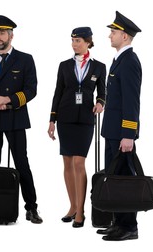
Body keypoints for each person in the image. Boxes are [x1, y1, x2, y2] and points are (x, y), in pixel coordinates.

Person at [0, 15, 43, 224]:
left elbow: (31, 90)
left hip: (15, 118)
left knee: (22, 163)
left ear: (11, 35)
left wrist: (9, 100)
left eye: (2, 33)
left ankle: (31, 207)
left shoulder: (25, 59)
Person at [47, 27, 106, 228]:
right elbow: (58, 92)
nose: (74, 44)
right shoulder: (64, 65)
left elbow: (102, 91)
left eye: (78, 40)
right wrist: (52, 120)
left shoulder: (99, 66)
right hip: (65, 117)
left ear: (88, 42)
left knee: (79, 163)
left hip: (86, 120)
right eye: (72, 40)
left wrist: (100, 103)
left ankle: (81, 211)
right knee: (67, 163)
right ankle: (72, 206)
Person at [98, 11, 142, 241]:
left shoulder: (130, 62)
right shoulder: (119, 60)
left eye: (113, 32)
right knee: (113, 178)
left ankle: (129, 227)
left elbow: (131, 101)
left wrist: (129, 134)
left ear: (124, 36)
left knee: (124, 180)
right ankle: (118, 222)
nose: (109, 36)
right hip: (112, 132)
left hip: (121, 135)